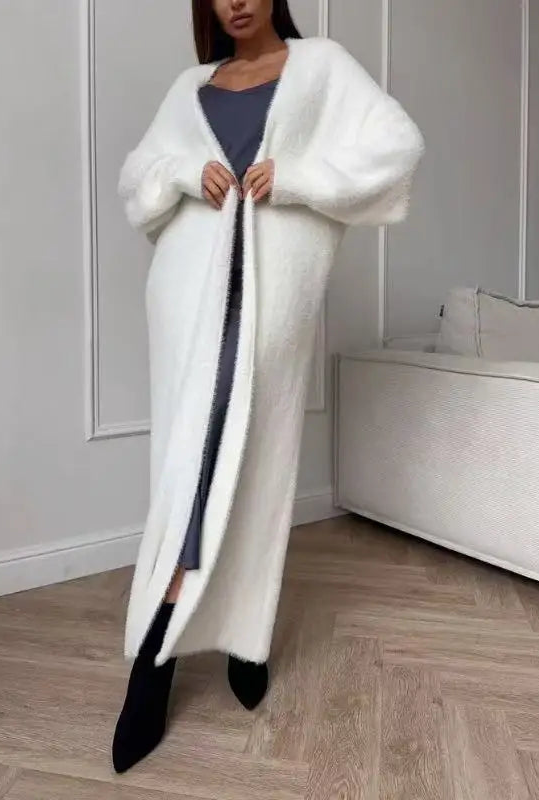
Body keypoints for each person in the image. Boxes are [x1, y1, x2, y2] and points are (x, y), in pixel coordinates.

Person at [112, 0, 424, 772]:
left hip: (270, 301)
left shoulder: (320, 67)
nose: (236, 1)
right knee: (184, 467)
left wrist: (298, 178)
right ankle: (153, 657)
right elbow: (136, 178)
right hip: (185, 299)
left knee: (254, 459)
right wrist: (184, 172)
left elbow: (397, 144)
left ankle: (242, 632)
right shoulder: (191, 85)